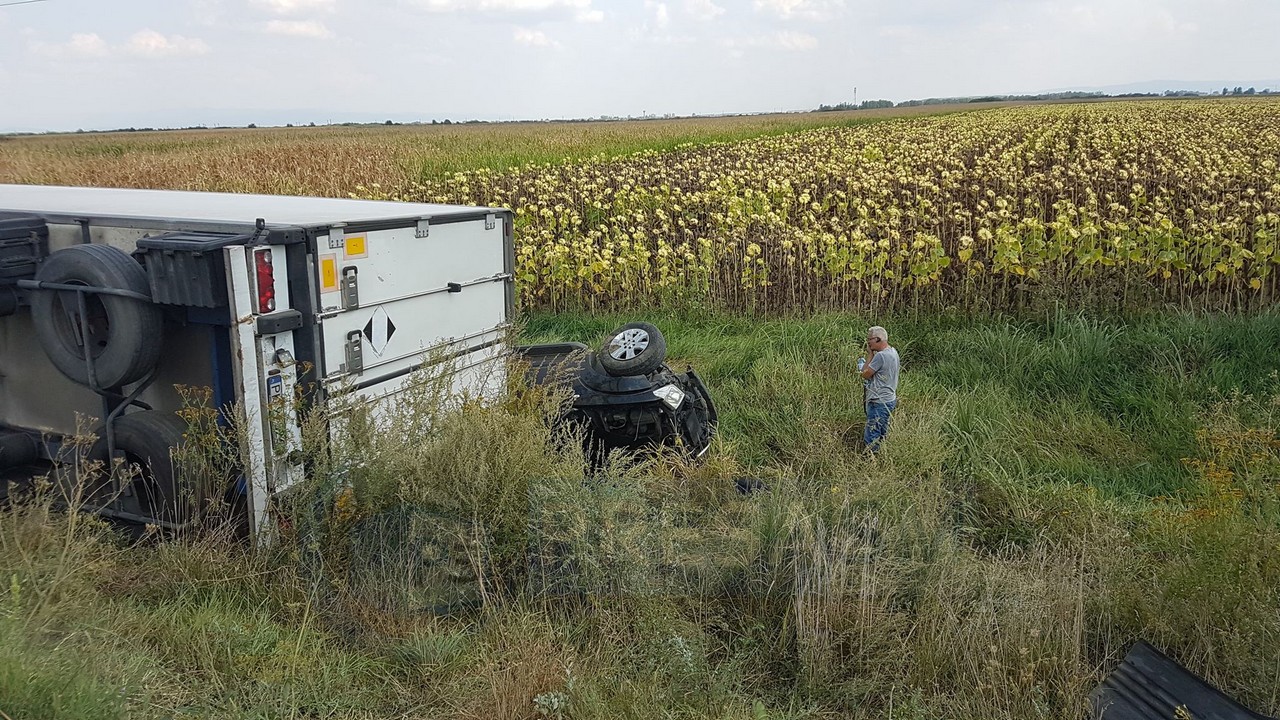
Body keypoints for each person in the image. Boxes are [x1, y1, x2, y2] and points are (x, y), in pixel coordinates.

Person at [857, 325, 899, 453]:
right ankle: (882, 454)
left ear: (879, 339)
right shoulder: (893, 351)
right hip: (889, 398)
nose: (868, 342)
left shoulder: (880, 356)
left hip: (878, 400)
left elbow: (865, 374)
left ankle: (872, 459)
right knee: (882, 431)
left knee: (872, 433)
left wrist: (869, 355)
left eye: (870, 339)